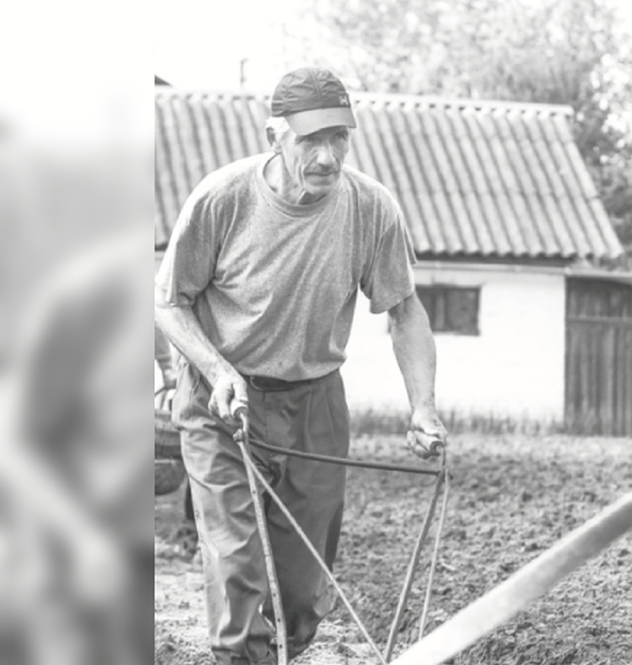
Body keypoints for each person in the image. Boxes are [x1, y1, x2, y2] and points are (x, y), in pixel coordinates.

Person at [154, 67, 447, 665]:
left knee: (301, 588)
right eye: (311, 139)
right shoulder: (223, 199)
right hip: (222, 401)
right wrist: (217, 371)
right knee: (238, 565)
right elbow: (169, 302)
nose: (328, 155)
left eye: (340, 137)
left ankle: (290, 650)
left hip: (314, 402)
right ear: (273, 135)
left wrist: (422, 405)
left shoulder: (370, 208)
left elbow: (405, 311)